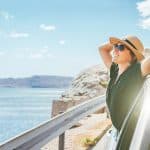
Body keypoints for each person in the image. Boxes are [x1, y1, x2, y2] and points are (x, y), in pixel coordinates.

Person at [98, 35, 150, 149]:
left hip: (130, 138)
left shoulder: (137, 71)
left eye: (121, 47)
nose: (115, 50)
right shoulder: (114, 71)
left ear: (132, 54)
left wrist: (120, 43)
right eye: (115, 46)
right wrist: (118, 42)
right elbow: (102, 48)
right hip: (117, 133)